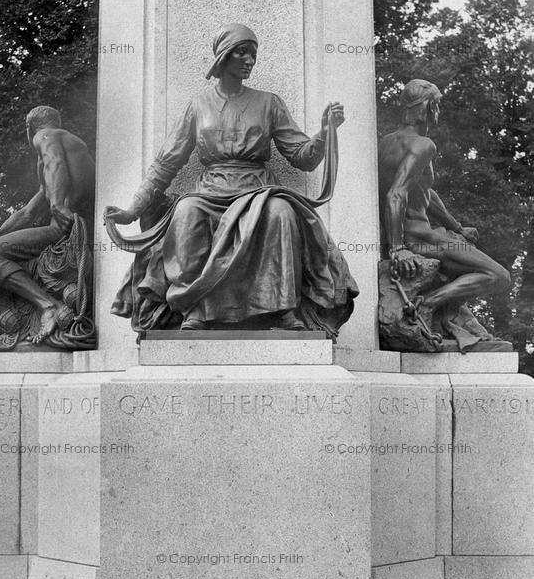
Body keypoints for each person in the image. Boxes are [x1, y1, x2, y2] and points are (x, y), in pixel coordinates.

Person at [105, 23, 357, 334]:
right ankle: (195, 307)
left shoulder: (270, 102)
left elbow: (303, 157)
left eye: (254, 54)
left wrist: (325, 131)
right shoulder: (198, 105)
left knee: (281, 213)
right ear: (223, 57)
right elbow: (165, 163)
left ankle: (282, 310)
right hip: (210, 189)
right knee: (186, 213)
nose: (250, 60)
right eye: (243, 53)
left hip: (258, 189)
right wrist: (132, 210)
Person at [378, 78, 510, 342]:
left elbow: (424, 192)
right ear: (426, 108)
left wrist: (457, 226)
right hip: (421, 241)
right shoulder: (423, 144)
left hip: (421, 235)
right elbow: (396, 193)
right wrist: (397, 249)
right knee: (499, 276)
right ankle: (428, 304)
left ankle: (449, 316)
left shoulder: (387, 142)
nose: (437, 112)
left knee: (461, 243)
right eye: (436, 105)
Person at [0, 106, 95, 344]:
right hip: (75, 227)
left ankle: (49, 306)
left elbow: (54, 163)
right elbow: (29, 212)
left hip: (65, 229)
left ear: (29, 129)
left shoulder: (46, 136)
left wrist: (58, 205)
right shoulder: (69, 145)